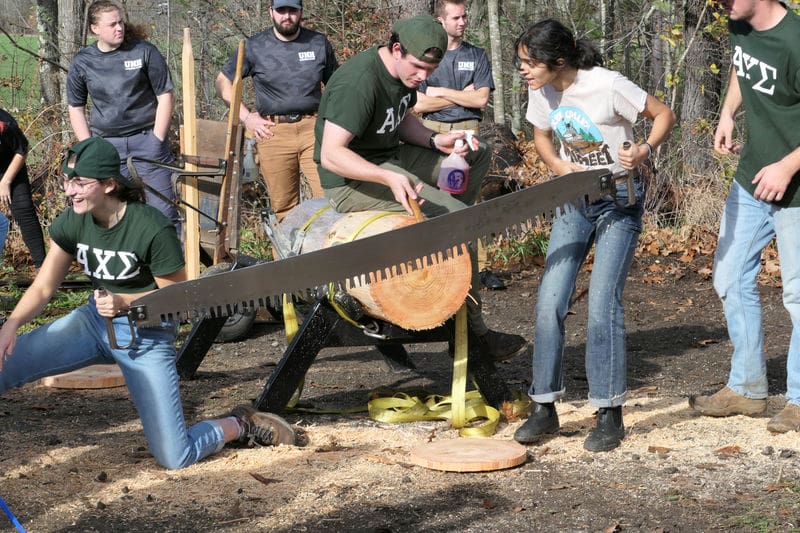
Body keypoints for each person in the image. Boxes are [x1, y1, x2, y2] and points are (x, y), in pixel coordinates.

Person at [0, 137, 296, 469]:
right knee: (3, 365)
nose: (70, 191)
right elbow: (42, 288)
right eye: (68, 181)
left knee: (174, 456)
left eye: (80, 183)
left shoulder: (151, 227)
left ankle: (241, 424)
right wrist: (10, 326)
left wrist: (123, 301)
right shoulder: (74, 220)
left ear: (109, 184)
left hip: (147, 335)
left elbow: (180, 300)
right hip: (93, 323)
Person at [314, 14, 527, 361]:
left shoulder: (404, 73)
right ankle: (475, 337)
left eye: (430, 71)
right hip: (352, 180)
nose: (423, 78)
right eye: (418, 69)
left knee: (476, 153)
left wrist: (435, 140)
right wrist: (386, 177)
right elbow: (332, 155)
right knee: (458, 221)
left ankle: (440, 238)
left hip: (393, 158)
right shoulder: (358, 83)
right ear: (396, 49)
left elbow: (399, 119)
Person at [511, 19, 675, 451]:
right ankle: (544, 407)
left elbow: (663, 114)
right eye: (521, 63)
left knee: (603, 303)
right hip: (573, 201)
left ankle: (608, 413)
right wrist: (561, 169)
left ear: (558, 61)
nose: (523, 70)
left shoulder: (607, 85)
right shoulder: (541, 90)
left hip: (619, 201)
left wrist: (643, 149)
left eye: (529, 63)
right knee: (550, 300)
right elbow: (542, 135)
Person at [689, 0, 800, 434]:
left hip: (796, 190)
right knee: (729, 276)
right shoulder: (739, 23)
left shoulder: (795, 40)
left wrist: (789, 166)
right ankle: (748, 389)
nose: (719, 3)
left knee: (798, 296)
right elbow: (742, 66)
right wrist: (727, 113)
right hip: (752, 176)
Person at [216, 0, 338, 222]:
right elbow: (223, 82)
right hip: (273, 132)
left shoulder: (318, 43)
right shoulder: (254, 46)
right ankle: (291, 256)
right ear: (271, 12)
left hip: (315, 129)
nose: (287, 16)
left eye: (292, 10)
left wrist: (337, 122)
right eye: (281, 10)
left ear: (301, 12)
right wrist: (246, 117)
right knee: (284, 209)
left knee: (331, 198)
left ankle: (331, 254)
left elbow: (338, 87)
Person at [66, 0, 180, 233]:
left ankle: (170, 268)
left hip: (147, 142)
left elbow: (165, 96)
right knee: (117, 212)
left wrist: (156, 139)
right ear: (94, 29)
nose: (119, 28)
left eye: (121, 22)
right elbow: (75, 107)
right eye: (112, 24)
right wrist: (89, 147)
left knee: (163, 213)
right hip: (107, 147)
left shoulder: (144, 51)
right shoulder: (83, 62)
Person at [414, 0, 504, 291]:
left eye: (464, 16)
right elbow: (418, 104)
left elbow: (480, 100)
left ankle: (480, 268)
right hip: (432, 133)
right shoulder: (428, 56)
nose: (463, 22)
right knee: (434, 200)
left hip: (468, 132)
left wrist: (439, 92)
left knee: (470, 201)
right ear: (441, 21)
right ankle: (436, 263)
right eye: (456, 17)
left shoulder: (476, 55)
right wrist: (458, 94)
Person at [0, 110, 46, 268]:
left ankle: (43, 269)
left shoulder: (5, 124)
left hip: (9, 165)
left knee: (24, 210)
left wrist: (6, 181)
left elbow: (22, 149)